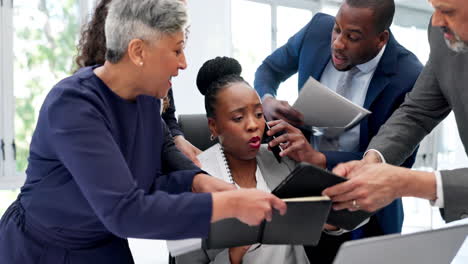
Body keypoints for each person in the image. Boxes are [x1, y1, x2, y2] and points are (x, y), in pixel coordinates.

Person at [0, 1, 287, 263]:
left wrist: (198, 183)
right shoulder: (73, 106)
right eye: (176, 50)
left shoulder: (148, 101)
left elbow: (152, 177)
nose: (184, 63)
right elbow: (125, 211)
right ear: (138, 51)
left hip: (103, 241)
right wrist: (228, 204)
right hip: (42, 248)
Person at [254, 0, 423, 261]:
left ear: (381, 39)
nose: (338, 43)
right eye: (337, 29)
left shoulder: (409, 75)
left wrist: (320, 159)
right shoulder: (316, 31)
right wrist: (267, 99)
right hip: (306, 195)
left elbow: (401, 161)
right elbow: (269, 69)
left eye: (352, 37)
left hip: (369, 211)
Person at [323, 0, 468, 223]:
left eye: (447, 11)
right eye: (435, 8)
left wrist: (406, 182)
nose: (436, 21)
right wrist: (372, 161)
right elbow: (418, 111)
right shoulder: (442, 34)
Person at [176, 56, 311, 264]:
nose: (253, 125)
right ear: (213, 126)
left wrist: (313, 164)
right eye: (238, 118)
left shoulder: (283, 158)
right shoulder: (195, 179)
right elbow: (187, 261)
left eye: (258, 114)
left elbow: (331, 226)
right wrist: (233, 256)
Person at [75, 0, 202, 167]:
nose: (183, 64)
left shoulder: (151, 88)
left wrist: (178, 141)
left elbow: (165, 123)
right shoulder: (83, 100)